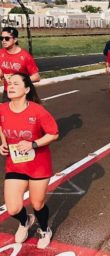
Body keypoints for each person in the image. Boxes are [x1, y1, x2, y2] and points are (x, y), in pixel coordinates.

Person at [0, 73, 59, 249]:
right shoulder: (2, 108)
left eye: (15, 84)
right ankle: (25, 221)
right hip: (15, 163)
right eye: (9, 83)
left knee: (37, 203)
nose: (10, 86)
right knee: (13, 208)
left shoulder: (37, 110)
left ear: (26, 89)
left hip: (38, 165)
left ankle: (44, 229)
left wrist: (33, 143)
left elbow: (54, 134)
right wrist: (3, 143)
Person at [0, 27, 40, 103]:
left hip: (23, 93)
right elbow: (2, 71)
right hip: (8, 92)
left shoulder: (25, 56)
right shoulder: (1, 53)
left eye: (7, 38)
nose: (4, 40)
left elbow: (36, 77)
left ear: (15, 40)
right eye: (1, 38)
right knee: (4, 113)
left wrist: (17, 80)